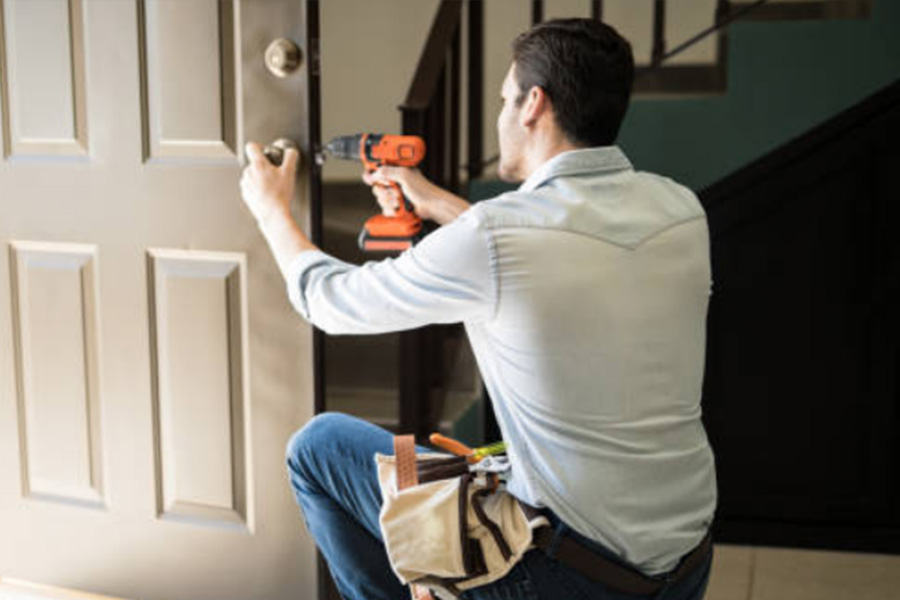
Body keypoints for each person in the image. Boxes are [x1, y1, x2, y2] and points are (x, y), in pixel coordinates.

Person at [240, 18, 717, 600]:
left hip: (568, 578)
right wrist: (433, 201)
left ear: (532, 105)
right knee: (450, 470)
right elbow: (555, 251)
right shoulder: (681, 210)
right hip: (685, 564)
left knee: (319, 448)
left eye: (503, 98)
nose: (500, 112)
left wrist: (271, 211)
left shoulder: (497, 236)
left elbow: (331, 303)